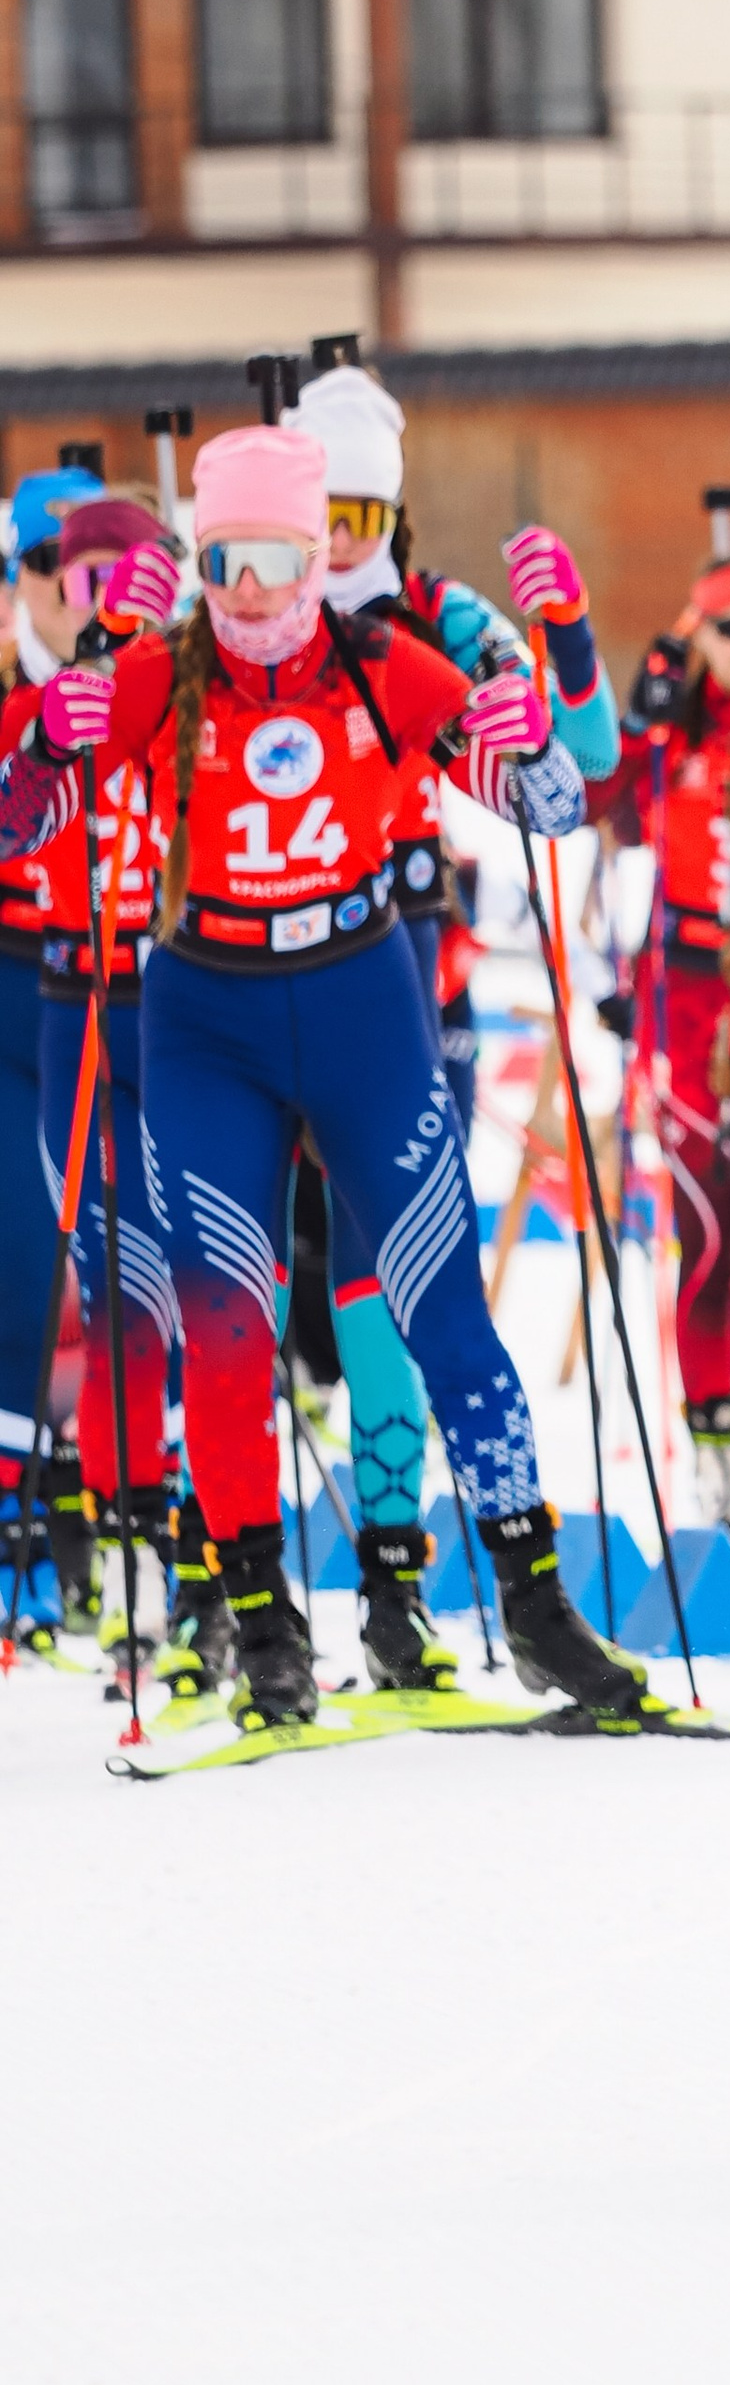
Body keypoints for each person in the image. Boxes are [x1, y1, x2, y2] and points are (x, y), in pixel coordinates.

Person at [0, 418, 642, 1730]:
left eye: (277, 560)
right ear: (199, 557)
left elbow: (559, 805)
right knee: (227, 1330)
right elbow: (22, 825)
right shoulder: (161, 679)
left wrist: (533, 736)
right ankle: (262, 1624)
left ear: (315, 562)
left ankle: (533, 1604)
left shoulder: (380, 667)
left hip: (360, 1002)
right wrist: (48, 747)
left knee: (443, 1312)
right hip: (204, 1018)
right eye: (224, 559)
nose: (250, 593)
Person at [291, 357, 619, 1681]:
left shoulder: (434, 614)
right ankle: (231, 1586)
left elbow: (581, 770)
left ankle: (396, 1588)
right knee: (271, 1298)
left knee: (390, 1290)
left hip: (406, 997)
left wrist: (569, 638)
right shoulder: (248, 627)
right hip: (250, 1002)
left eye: (361, 526)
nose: (333, 556)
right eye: (318, 523)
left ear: (396, 523)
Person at [592, 547, 730, 1518]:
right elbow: (599, 809)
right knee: (709, 1222)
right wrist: (636, 712)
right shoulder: (672, 737)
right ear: (699, 637)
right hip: (688, 995)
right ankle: (712, 1426)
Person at [0, 471, 176, 1649]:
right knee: (21, 1268)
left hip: (143, 996)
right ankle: (21, 1547)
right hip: (24, 991)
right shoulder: (28, 710)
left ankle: (152, 1546)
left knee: (135, 1277)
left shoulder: (167, 700)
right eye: (58, 579)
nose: (82, 604)